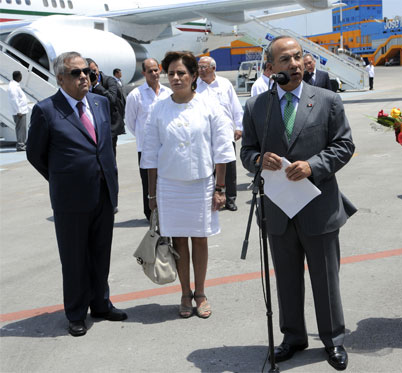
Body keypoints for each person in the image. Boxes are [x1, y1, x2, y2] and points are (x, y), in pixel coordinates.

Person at [241, 35, 356, 371]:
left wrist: (313, 166)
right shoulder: (256, 106)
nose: (293, 65)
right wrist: (259, 159)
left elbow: (344, 146)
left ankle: (333, 339)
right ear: (271, 68)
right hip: (278, 209)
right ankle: (293, 337)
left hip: (318, 207)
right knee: (287, 278)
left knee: (325, 278)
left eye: (297, 58)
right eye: (285, 60)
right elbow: (246, 152)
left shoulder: (327, 100)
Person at [26, 51, 127, 337]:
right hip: (70, 199)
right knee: (74, 259)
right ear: (60, 79)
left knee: (100, 254)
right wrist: (62, 178)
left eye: (87, 72)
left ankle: (101, 304)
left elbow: (105, 146)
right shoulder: (47, 110)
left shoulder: (100, 103)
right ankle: (75, 312)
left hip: (104, 194)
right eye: (76, 73)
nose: (84, 77)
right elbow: (36, 154)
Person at [141, 51, 235, 319]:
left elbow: (222, 150)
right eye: (171, 73)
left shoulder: (209, 105)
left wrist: (220, 189)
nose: (176, 78)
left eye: (181, 73)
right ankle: (184, 292)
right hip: (170, 187)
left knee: (200, 239)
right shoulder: (158, 109)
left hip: (201, 185)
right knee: (179, 241)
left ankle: (201, 292)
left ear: (194, 76)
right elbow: (150, 155)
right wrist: (152, 195)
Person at [125, 58, 172, 221]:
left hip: (166, 147)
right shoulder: (135, 95)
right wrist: (143, 137)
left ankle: (166, 212)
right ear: (143, 73)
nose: (154, 73)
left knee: (167, 181)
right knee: (148, 183)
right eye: (150, 71)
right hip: (145, 149)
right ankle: (150, 215)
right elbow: (130, 122)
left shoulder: (168, 93)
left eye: (156, 70)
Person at [195, 56, 244, 211]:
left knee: (229, 168)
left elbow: (236, 107)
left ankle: (230, 199)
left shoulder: (224, 84)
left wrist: (239, 127)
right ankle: (210, 197)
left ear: (213, 68)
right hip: (204, 135)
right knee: (208, 167)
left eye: (204, 67)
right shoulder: (195, 86)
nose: (201, 70)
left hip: (225, 133)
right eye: (199, 67)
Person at [87, 58, 126, 155]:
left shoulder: (109, 81)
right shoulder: (84, 84)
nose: (93, 74)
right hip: (93, 127)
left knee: (110, 158)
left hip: (109, 128)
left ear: (98, 68)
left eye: (94, 70)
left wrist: (96, 84)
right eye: (89, 72)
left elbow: (112, 100)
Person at [7, 71, 29, 151]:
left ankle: (21, 144)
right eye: (20, 76)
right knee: (20, 129)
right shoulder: (13, 86)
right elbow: (14, 99)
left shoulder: (15, 85)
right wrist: (18, 111)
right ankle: (20, 145)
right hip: (19, 112)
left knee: (22, 129)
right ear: (18, 77)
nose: (21, 78)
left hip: (21, 111)